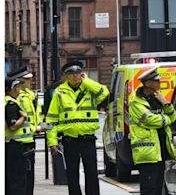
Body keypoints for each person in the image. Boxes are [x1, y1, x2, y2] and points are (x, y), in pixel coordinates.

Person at [46, 61, 109, 195]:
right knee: (72, 175)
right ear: (65, 76)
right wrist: (52, 142)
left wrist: (87, 81)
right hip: (70, 140)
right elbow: (51, 119)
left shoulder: (89, 89)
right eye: (71, 74)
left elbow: (104, 93)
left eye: (78, 73)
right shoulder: (59, 93)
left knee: (92, 174)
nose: (75, 76)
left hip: (88, 139)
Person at [128, 67, 176, 195]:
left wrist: (165, 103)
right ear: (148, 83)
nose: (160, 83)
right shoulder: (136, 102)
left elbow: (173, 116)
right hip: (147, 152)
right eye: (157, 81)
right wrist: (166, 119)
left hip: (160, 150)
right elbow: (150, 120)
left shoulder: (158, 97)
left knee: (158, 188)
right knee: (149, 189)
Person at [7, 66, 45, 195]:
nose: (30, 82)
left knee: (28, 177)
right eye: (26, 80)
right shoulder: (17, 98)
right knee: (20, 179)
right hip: (19, 142)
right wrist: (36, 128)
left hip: (28, 138)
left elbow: (34, 117)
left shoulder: (31, 95)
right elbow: (17, 122)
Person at [5, 78, 33, 195]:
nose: (19, 90)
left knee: (10, 180)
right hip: (15, 147)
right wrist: (23, 117)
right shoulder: (10, 104)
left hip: (11, 146)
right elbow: (13, 126)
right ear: (10, 90)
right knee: (17, 181)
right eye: (16, 88)